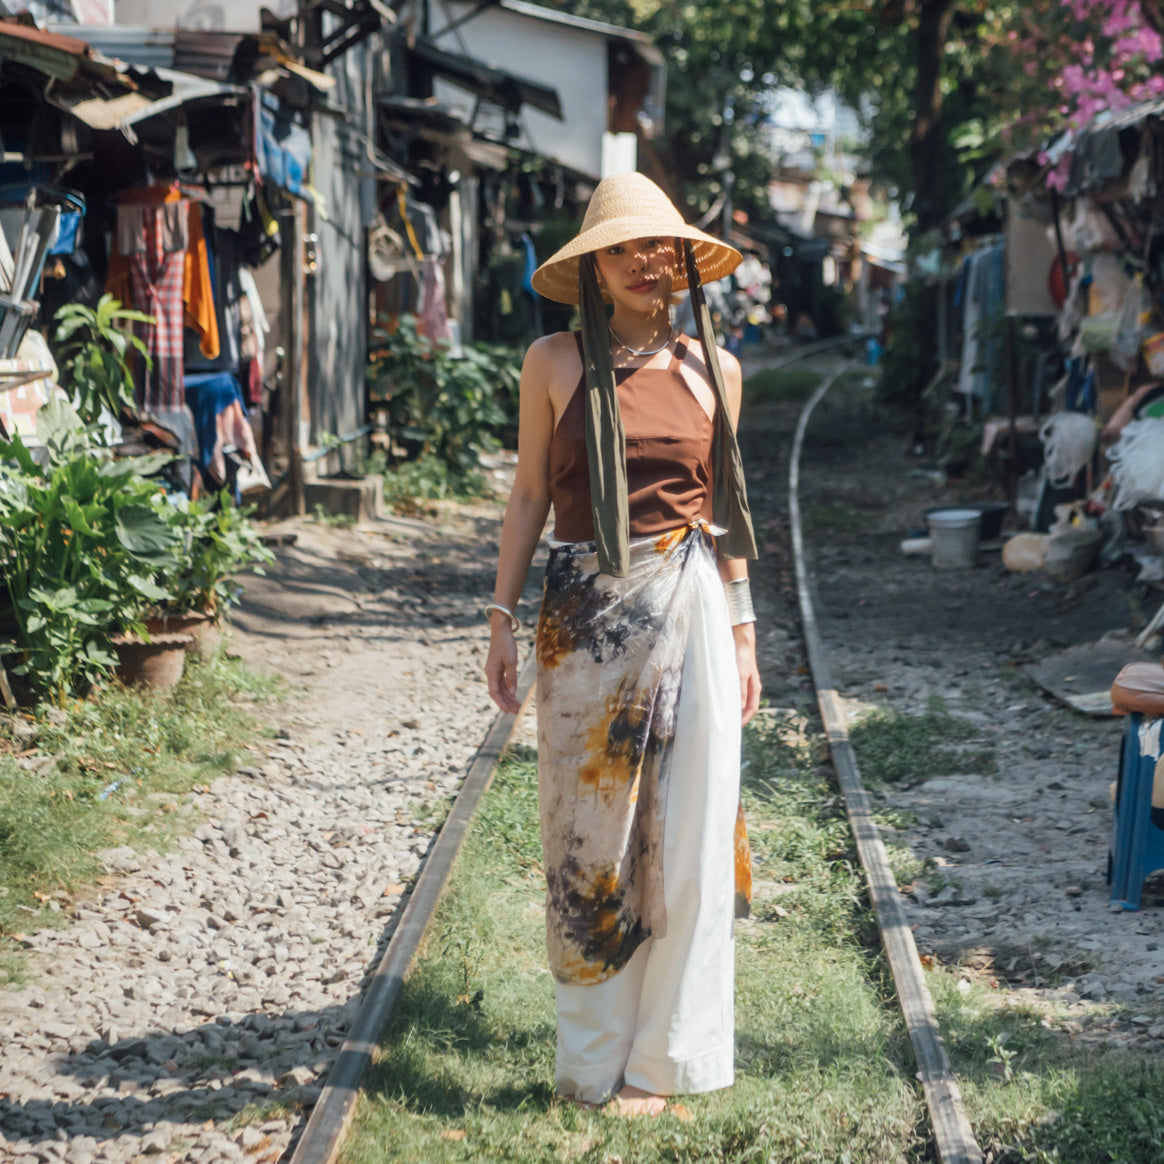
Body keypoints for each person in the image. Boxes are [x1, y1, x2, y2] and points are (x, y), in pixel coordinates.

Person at [483, 172, 761, 1117]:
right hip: (583, 624)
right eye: (623, 249)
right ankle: (592, 1062)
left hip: (692, 610)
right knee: (588, 843)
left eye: (657, 246)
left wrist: (746, 634)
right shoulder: (552, 362)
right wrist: (499, 617)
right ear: (593, 269)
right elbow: (529, 494)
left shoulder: (716, 371)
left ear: (682, 260)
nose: (644, 262)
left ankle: (663, 1064)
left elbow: (725, 515)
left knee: (686, 841)